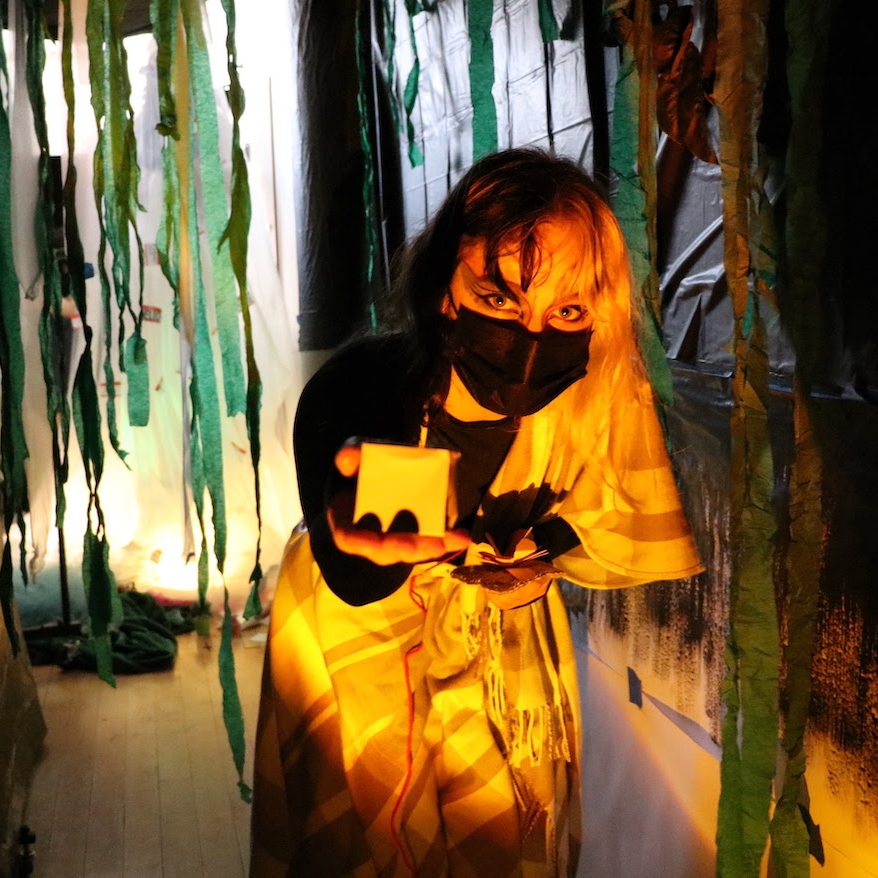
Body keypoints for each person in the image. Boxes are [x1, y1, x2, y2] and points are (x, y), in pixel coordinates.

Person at [249, 148, 703, 877]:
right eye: (499, 299)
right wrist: (362, 542)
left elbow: (608, 512)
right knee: (365, 844)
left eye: (566, 310)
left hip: (504, 657)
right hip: (351, 645)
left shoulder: (594, 392)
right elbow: (358, 573)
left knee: (503, 840)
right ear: (445, 286)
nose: (531, 335)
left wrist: (539, 551)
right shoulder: (369, 385)